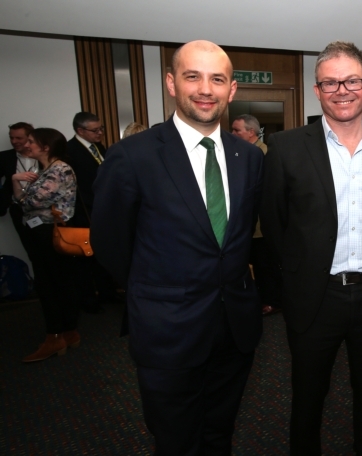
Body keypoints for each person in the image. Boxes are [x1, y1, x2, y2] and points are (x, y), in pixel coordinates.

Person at [90, 40, 264, 454]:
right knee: (176, 440)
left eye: (217, 79)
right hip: (167, 330)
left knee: (219, 432)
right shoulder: (132, 156)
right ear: (171, 83)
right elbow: (111, 243)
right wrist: (157, 292)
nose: (206, 89)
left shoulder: (249, 157)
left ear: (232, 90)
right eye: (193, 76)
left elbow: (239, 239)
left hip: (234, 328)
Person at [260, 41, 362, 455]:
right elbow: (273, 225)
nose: (341, 90)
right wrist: (289, 287)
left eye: (351, 81)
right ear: (316, 90)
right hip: (314, 297)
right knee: (307, 398)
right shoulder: (287, 147)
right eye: (330, 83)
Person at [11, 128, 82, 362]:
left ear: (46, 147)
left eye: (31, 141)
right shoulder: (42, 169)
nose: (26, 145)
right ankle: (67, 332)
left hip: (48, 232)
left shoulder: (58, 169)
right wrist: (17, 186)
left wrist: (17, 187)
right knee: (56, 282)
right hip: (41, 231)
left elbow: (31, 201)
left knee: (50, 284)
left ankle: (56, 337)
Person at [66, 111, 120, 311]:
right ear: (80, 130)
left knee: (103, 253)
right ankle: (88, 299)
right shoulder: (69, 150)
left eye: (101, 129)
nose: (100, 133)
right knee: (85, 258)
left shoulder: (98, 147)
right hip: (84, 212)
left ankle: (108, 292)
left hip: (103, 210)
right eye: (95, 130)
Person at [231, 114, 281, 316]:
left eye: (236, 130)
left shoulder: (266, 154)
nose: (232, 134)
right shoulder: (242, 153)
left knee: (264, 266)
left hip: (262, 225)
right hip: (246, 223)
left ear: (251, 132)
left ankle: (271, 301)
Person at [1, 122, 38, 271]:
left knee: (50, 251)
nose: (14, 141)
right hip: (18, 210)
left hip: (44, 210)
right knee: (32, 251)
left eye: (18, 138)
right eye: (12, 138)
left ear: (30, 138)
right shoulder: (4, 157)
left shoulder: (42, 155)